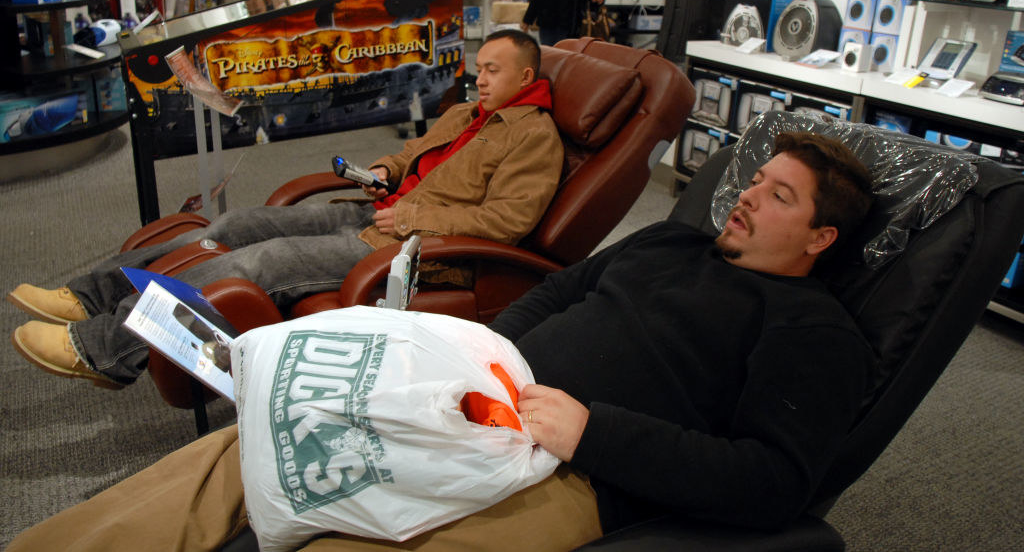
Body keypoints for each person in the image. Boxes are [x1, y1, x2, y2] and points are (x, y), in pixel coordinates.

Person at [8, 131, 878, 551]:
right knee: (253, 445)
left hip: (575, 475)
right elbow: (560, 290)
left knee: (350, 535)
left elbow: (773, 482)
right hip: (476, 396)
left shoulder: (811, 330)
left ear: (821, 239)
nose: (749, 197)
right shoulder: (673, 240)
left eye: (780, 197)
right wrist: (475, 358)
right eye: (755, 181)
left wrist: (590, 431)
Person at [9, 30, 563, 391]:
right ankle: (89, 296)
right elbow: (413, 154)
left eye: (493, 70)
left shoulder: (535, 137)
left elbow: (508, 223)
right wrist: (388, 170)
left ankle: (105, 349)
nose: (480, 78)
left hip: (413, 249)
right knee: (235, 225)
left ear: (526, 77)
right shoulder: (467, 113)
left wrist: (418, 221)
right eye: (479, 66)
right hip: (378, 212)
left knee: (264, 262)